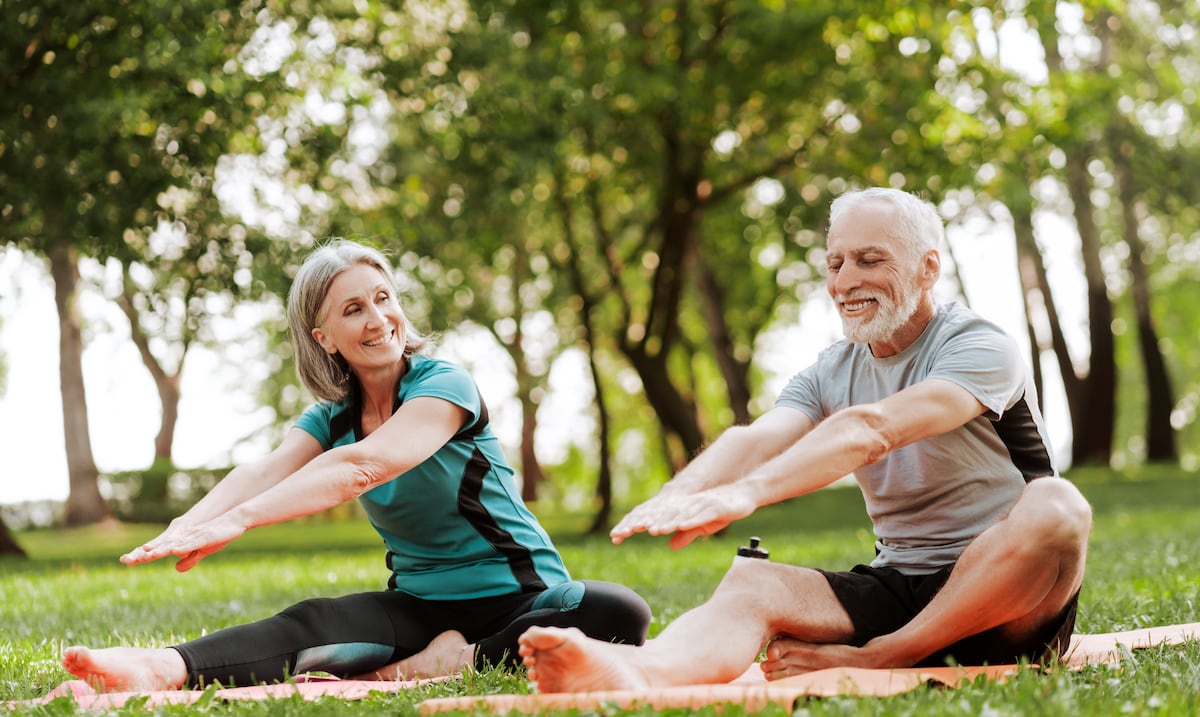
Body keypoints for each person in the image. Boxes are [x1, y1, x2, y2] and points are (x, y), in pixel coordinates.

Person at [518, 187, 1092, 692]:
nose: (845, 282)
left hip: (1013, 602)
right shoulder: (830, 370)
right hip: (900, 584)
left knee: (1057, 505)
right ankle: (637, 671)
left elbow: (874, 429)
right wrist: (684, 492)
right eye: (835, 262)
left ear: (928, 267)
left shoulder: (978, 347)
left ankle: (886, 657)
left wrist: (748, 495)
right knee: (754, 581)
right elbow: (757, 437)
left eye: (870, 260)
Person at [62, 239, 650, 692]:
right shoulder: (330, 416)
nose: (378, 318)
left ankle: (461, 659)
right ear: (324, 337)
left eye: (383, 298)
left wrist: (240, 521)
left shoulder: (444, 385)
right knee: (314, 621)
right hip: (420, 603)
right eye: (354, 309)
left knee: (617, 609)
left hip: (523, 598)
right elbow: (265, 471)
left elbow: (365, 467)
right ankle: (163, 668)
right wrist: (190, 525)